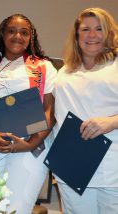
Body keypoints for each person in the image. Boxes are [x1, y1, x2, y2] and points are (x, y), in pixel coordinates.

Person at [0, 14, 57, 213]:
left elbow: (49, 112)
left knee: (16, 208)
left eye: (24, 32)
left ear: (31, 37)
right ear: (2, 33)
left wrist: (29, 143)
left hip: (30, 147)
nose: (18, 36)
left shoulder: (44, 67)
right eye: (12, 31)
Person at [52, 8, 118, 214]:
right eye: (86, 29)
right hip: (70, 167)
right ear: (76, 34)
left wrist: (112, 122)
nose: (92, 35)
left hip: (111, 169)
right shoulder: (65, 70)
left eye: (99, 29)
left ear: (109, 33)